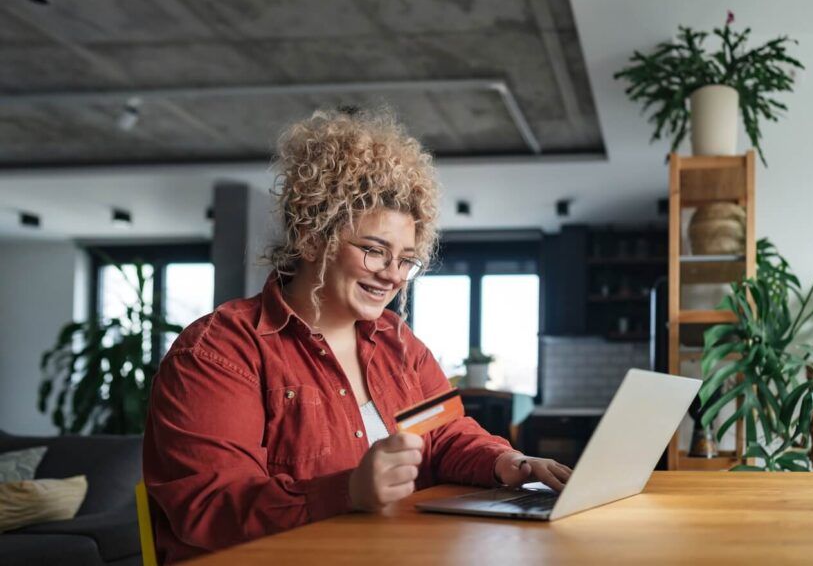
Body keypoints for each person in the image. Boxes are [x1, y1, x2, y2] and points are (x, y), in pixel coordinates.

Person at [143, 107, 572, 563]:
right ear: (310, 237)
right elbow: (211, 506)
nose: (393, 276)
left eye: (406, 259)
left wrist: (511, 464)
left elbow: (444, 434)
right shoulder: (218, 352)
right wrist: (347, 491)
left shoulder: (400, 347)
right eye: (374, 251)